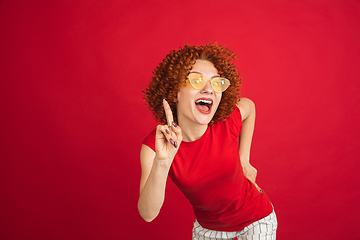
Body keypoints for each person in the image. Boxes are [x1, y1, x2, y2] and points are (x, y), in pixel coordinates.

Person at [138, 43, 278, 240]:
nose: (209, 89)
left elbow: (250, 107)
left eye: (216, 83)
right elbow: (148, 214)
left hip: (256, 219)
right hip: (209, 230)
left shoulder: (226, 123)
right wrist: (163, 162)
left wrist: (244, 159)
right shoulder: (157, 144)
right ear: (175, 91)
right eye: (196, 80)